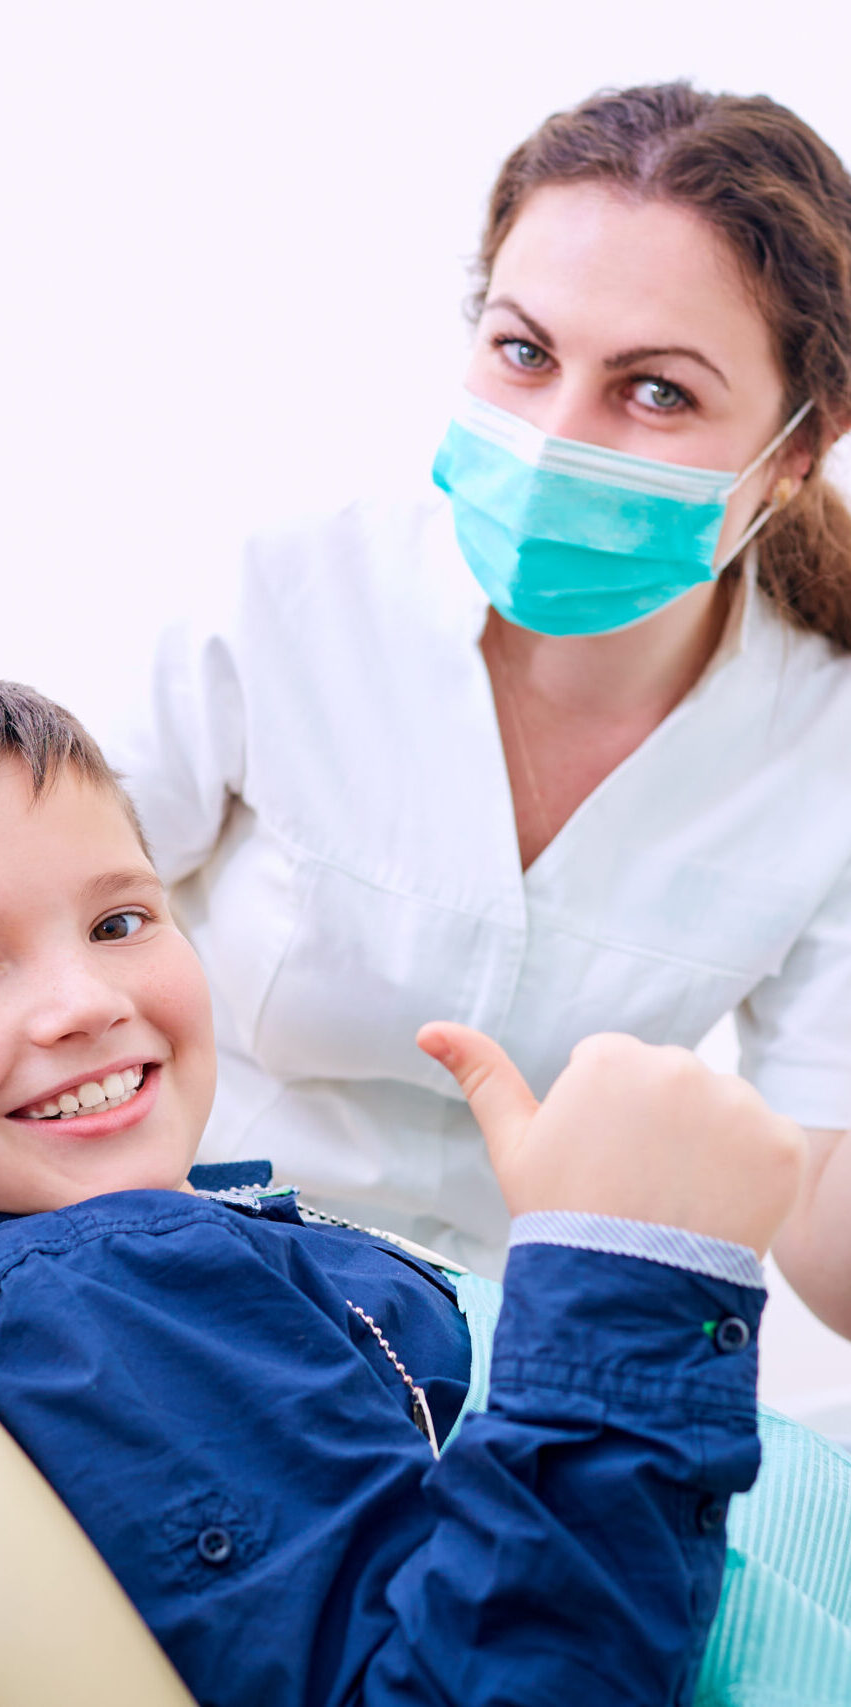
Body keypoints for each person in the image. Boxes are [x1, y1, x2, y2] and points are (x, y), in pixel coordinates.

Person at [0, 676, 851, 1706]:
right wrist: (628, 1273)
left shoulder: (139, 1258)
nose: (85, 1002)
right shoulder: (115, 1300)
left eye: (119, 921)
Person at [98, 82, 851, 1314]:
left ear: (798, 448)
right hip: (193, 1277)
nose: (556, 438)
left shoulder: (824, 739)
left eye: (656, 390)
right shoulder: (286, 593)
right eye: (524, 351)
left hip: (530, 1354)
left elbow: (828, 1252)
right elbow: (22, 924)